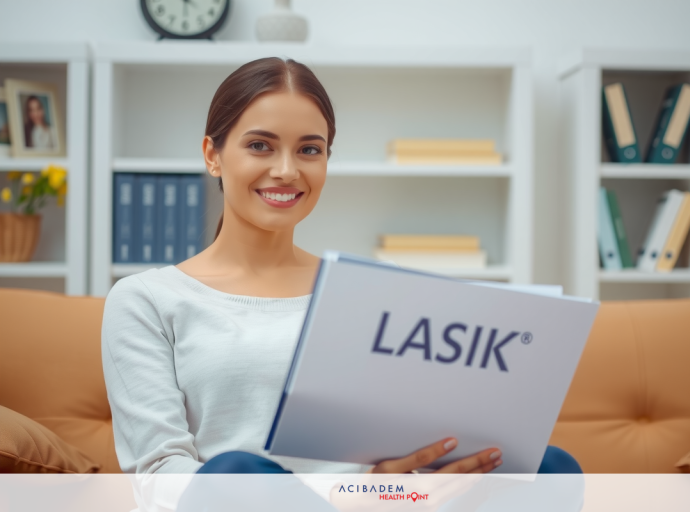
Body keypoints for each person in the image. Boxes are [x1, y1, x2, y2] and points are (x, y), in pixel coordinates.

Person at [102, 58, 581, 510]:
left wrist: (401, 484)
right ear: (213, 155)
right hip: (246, 500)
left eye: (309, 149)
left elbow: (398, 452)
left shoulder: (370, 290)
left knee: (552, 468)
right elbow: (160, 474)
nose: (287, 170)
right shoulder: (147, 298)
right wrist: (336, 498)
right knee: (236, 472)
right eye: (260, 145)